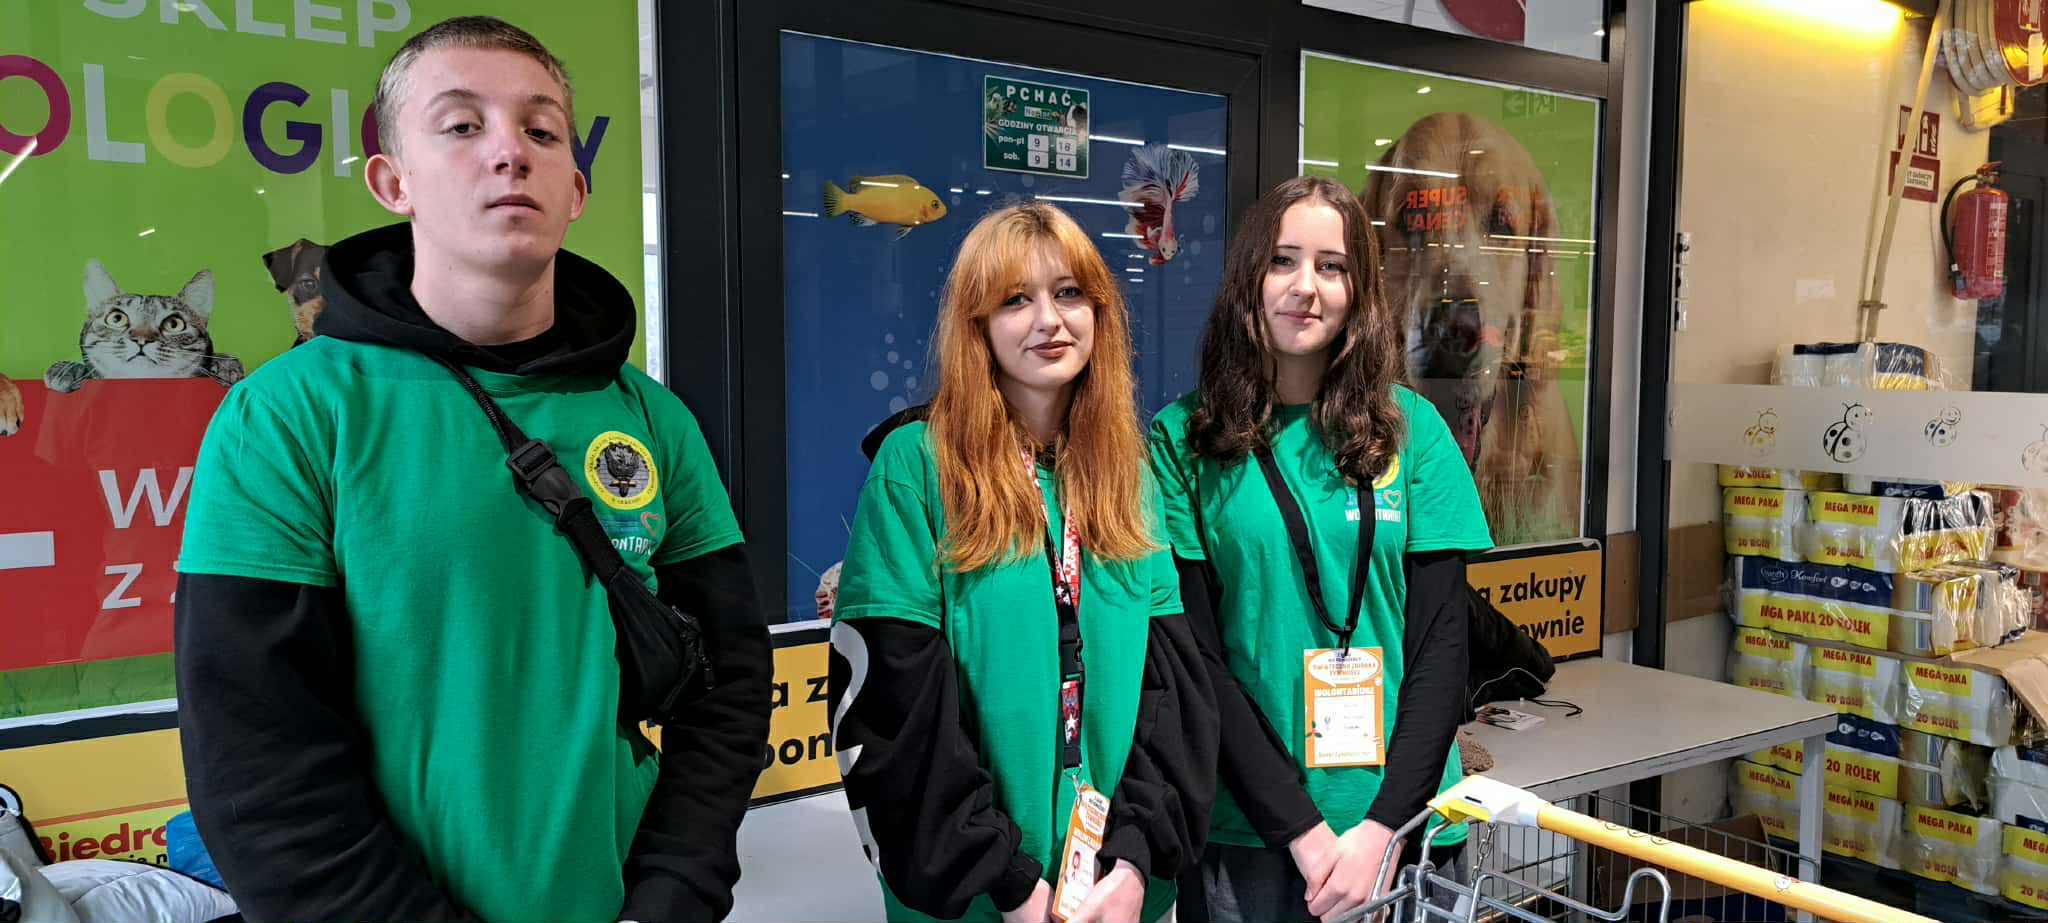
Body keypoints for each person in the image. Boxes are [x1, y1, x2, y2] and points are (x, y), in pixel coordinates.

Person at [174, 17, 771, 922]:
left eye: (542, 130)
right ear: (393, 181)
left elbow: (729, 683)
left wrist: (675, 888)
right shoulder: (288, 416)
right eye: (461, 125)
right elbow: (256, 761)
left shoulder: (653, 419)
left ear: (576, 188)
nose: (509, 151)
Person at [828, 202, 1218, 923]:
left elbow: (1170, 693)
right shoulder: (916, 468)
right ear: (976, 323)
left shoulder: (1129, 477)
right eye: (1015, 299)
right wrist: (1010, 883)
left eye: (1069, 293)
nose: (1049, 320)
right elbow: (896, 707)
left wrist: (1135, 859)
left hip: (1113, 894)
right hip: (980, 899)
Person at [1147, 177, 1493, 923]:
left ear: (1358, 290)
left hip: (1408, 828)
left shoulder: (1414, 431)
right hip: (1250, 833)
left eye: (1331, 266)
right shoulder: (1183, 440)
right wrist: (1304, 832)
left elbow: (1441, 651)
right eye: (1283, 260)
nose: (1305, 286)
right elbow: (1198, 662)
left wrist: (1382, 827)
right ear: (1248, 277)